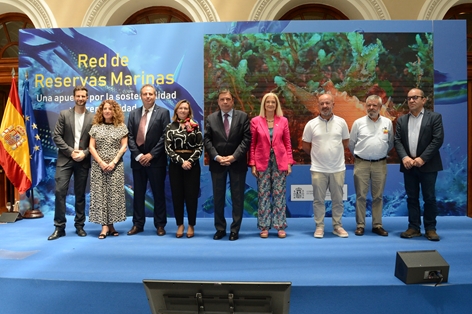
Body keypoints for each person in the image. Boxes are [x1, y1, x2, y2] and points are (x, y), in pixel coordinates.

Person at [394, 88, 444, 241]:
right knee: (411, 198)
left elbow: (437, 140)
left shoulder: (434, 117)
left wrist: (422, 158)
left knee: (429, 198)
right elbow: (397, 141)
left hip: (428, 165)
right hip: (409, 165)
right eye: (409, 98)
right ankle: (414, 227)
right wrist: (405, 158)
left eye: (415, 97)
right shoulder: (402, 120)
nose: (412, 100)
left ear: (424, 100)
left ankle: (430, 229)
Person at [204, 89, 251, 241]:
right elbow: (207, 140)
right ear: (218, 102)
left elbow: (246, 139)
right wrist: (217, 157)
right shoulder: (211, 118)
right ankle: (220, 229)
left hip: (237, 163)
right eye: (222, 99)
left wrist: (234, 157)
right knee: (218, 197)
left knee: (237, 197)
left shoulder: (243, 117)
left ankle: (235, 229)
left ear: (232, 101)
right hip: (217, 164)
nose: (225, 102)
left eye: (228, 99)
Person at [48, 85, 94, 240]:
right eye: (78, 96)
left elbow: (95, 142)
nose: (80, 99)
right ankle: (59, 227)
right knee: (60, 192)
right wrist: (70, 151)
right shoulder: (64, 114)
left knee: (80, 194)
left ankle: (79, 226)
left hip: (83, 160)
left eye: (83, 96)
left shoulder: (93, 118)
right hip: (65, 159)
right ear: (74, 97)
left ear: (87, 98)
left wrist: (85, 153)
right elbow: (57, 137)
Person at [302, 93, 350, 238]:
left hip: (337, 168)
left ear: (333, 104)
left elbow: (345, 143)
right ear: (318, 105)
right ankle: (319, 226)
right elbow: (305, 146)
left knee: (337, 200)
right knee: (318, 200)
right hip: (318, 169)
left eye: (327, 103)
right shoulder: (311, 124)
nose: (325, 106)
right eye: (322, 103)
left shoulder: (342, 122)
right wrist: (319, 157)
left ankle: (337, 226)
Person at [127, 84, 170, 236]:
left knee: (158, 193)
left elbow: (165, 136)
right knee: (138, 194)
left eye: (151, 94)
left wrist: (151, 155)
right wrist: (139, 156)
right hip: (138, 162)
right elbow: (130, 137)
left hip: (156, 161)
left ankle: (160, 225)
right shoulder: (133, 114)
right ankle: (138, 224)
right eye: (145, 94)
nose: (148, 96)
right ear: (141, 96)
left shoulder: (163, 113)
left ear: (155, 95)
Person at [248, 93, 294, 238]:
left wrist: (289, 163)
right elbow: (252, 145)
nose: (270, 105)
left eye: (273, 102)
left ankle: (280, 226)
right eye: (267, 102)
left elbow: (287, 143)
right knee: (263, 194)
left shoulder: (283, 121)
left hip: (280, 161)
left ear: (276, 105)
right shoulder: (255, 121)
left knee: (279, 194)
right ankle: (264, 227)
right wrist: (253, 164)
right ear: (263, 104)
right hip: (262, 161)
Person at [348, 95, 393, 237]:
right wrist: (361, 155)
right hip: (362, 163)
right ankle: (360, 225)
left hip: (380, 163)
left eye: (374, 105)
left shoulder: (388, 122)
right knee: (361, 196)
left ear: (380, 107)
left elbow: (390, 143)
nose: (371, 108)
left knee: (378, 196)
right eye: (369, 105)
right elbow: (351, 144)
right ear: (365, 106)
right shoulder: (358, 123)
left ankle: (377, 225)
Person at [88, 100, 128, 239]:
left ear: (114, 111)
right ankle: (104, 227)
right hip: (99, 167)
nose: (107, 111)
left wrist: (113, 162)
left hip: (115, 166)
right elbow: (91, 147)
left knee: (113, 195)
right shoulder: (95, 127)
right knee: (101, 195)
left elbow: (124, 146)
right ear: (101, 111)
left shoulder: (121, 127)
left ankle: (111, 225)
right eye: (105, 109)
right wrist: (101, 162)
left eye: (110, 109)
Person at [165, 100, 203, 238]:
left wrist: (189, 161)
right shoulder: (170, 126)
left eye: (185, 108)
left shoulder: (195, 126)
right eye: (180, 108)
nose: (182, 110)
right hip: (176, 165)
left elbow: (200, 147)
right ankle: (180, 224)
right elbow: (168, 148)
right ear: (176, 110)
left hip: (192, 165)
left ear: (189, 111)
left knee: (192, 196)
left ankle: (191, 225)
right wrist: (181, 161)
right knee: (177, 196)